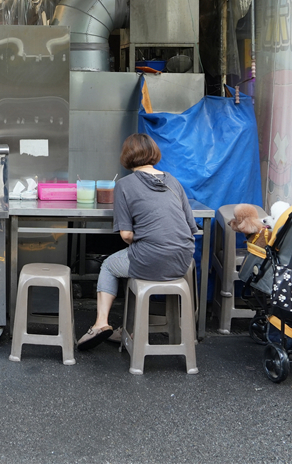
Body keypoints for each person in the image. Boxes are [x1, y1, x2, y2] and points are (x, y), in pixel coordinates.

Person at [76, 133, 199, 351]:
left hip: (152, 259)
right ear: (154, 153)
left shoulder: (124, 185)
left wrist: (146, 235)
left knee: (109, 265)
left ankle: (101, 323)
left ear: (127, 156)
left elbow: (125, 235)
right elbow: (191, 228)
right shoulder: (173, 181)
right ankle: (128, 328)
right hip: (182, 261)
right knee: (132, 258)